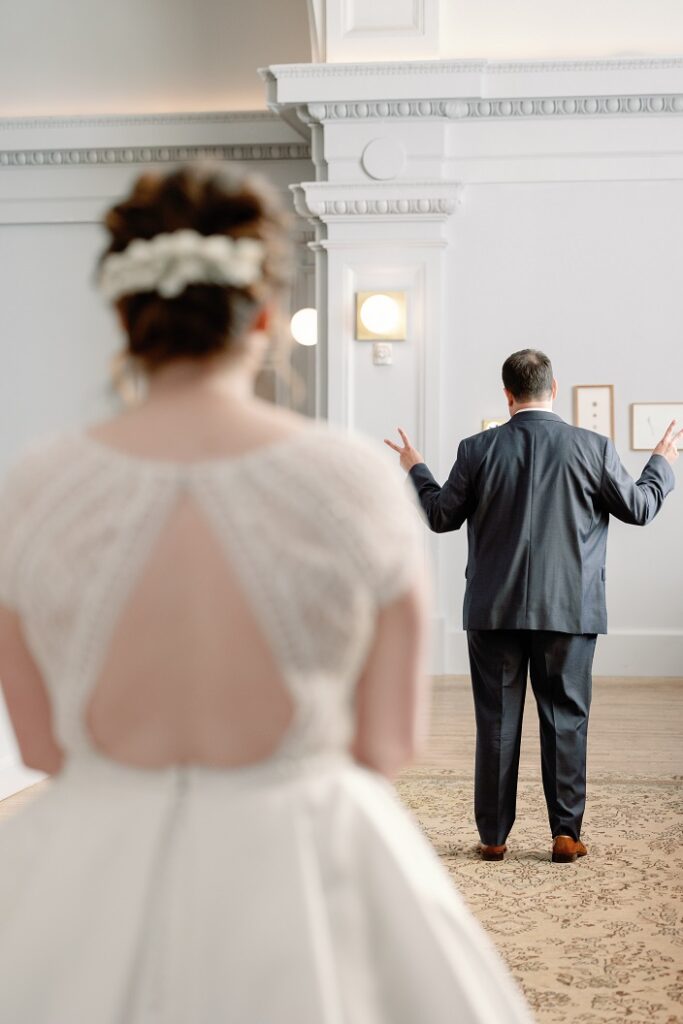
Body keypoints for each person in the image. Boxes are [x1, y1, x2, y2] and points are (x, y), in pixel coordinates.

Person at [0, 166, 533, 1023]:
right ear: (262, 316)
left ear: (126, 317)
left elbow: (40, 744)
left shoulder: (34, 486)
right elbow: (388, 740)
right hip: (301, 847)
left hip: (90, 858)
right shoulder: (351, 478)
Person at [386, 350, 678, 863]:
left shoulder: (477, 449)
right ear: (554, 387)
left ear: (507, 394)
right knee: (566, 719)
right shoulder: (593, 447)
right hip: (569, 611)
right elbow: (640, 507)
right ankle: (566, 834)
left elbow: (439, 515)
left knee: (496, 722)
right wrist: (661, 464)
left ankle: (494, 837)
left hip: (493, 611)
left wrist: (416, 469)